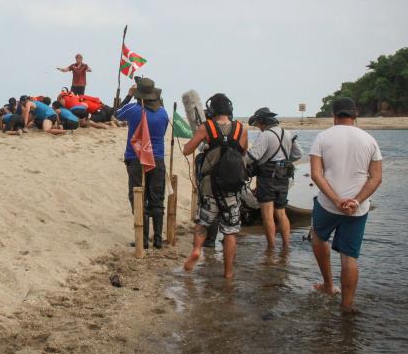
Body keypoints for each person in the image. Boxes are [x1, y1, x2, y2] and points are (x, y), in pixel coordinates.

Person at [309, 97, 382, 312]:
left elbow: (316, 174)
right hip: (357, 208)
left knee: (318, 237)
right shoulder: (369, 140)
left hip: (327, 204)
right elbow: (376, 178)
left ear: (334, 115)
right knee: (349, 257)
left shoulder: (322, 137)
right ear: (355, 115)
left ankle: (329, 285)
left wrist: (336, 199)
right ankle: (347, 306)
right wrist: (356, 201)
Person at [182, 93, 248, 278]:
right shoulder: (241, 129)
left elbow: (187, 150)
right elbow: (243, 154)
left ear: (212, 110)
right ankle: (228, 273)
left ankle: (196, 250)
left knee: (203, 222)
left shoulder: (206, 127)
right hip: (231, 188)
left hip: (210, 186)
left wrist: (206, 145)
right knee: (230, 231)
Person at [114, 78, 170, 248]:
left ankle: (143, 239)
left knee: (138, 197)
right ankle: (158, 240)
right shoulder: (163, 112)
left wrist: (128, 96)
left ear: (138, 95)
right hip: (158, 158)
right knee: (157, 198)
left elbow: (116, 113)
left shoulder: (134, 109)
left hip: (137, 158)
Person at [246, 107, 303, 251]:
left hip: (267, 178)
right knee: (281, 212)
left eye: (258, 124)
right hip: (283, 177)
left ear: (263, 122)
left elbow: (253, 156)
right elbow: (298, 154)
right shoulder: (288, 133)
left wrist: (239, 162)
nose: (258, 127)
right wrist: (283, 161)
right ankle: (286, 247)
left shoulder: (266, 135)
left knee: (267, 214)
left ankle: (271, 248)